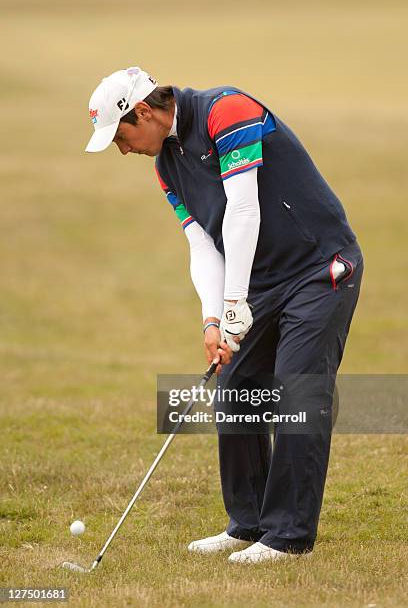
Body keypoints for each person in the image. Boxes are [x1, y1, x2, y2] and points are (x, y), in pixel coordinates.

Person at [85, 66, 363, 564]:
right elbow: (202, 243)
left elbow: (243, 209)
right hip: (260, 281)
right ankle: (248, 523)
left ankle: (287, 536)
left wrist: (236, 302)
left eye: (121, 137)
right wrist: (213, 319)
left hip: (320, 269)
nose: (122, 150)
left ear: (143, 111)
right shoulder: (165, 165)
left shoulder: (226, 111)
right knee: (236, 385)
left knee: (296, 389)